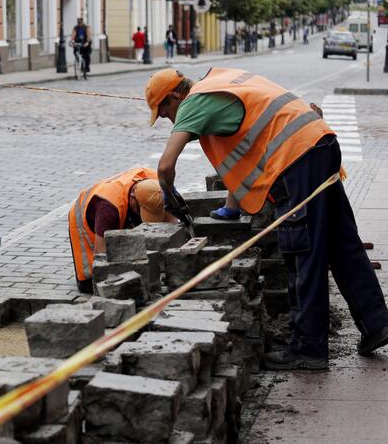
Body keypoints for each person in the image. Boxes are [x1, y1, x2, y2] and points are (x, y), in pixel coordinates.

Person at [145, 67, 388, 370]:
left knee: (303, 251)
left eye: (165, 111)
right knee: (342, 242)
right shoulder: (223, 79)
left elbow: (166, 166)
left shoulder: (193, 102)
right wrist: (231, 205)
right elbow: (248, 146)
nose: (169, 119)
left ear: (174, 96)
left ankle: (309, 348)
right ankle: (376, 323)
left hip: (296, 162)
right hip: (319, 143)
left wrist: (170, 195)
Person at [68, 168, 177, 294]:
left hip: (119, 207)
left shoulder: (158, 185)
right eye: (141, 210)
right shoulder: (108, 210)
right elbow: (100, 256)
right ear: (133, 197)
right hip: (86, 219)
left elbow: (172, 224)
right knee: (93, 282)